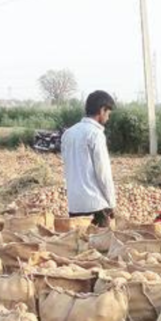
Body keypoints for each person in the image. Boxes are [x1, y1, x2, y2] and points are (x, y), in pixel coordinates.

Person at [62, 90, 117, 228]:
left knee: (79, 247)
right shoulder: (95, 134)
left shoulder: (68, 133)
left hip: (74, 205)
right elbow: (103, 173)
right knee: (101, 247)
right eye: (108, 113)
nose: (108, 118)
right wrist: (111, 204)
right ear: (102, 110)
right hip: (95, 204)